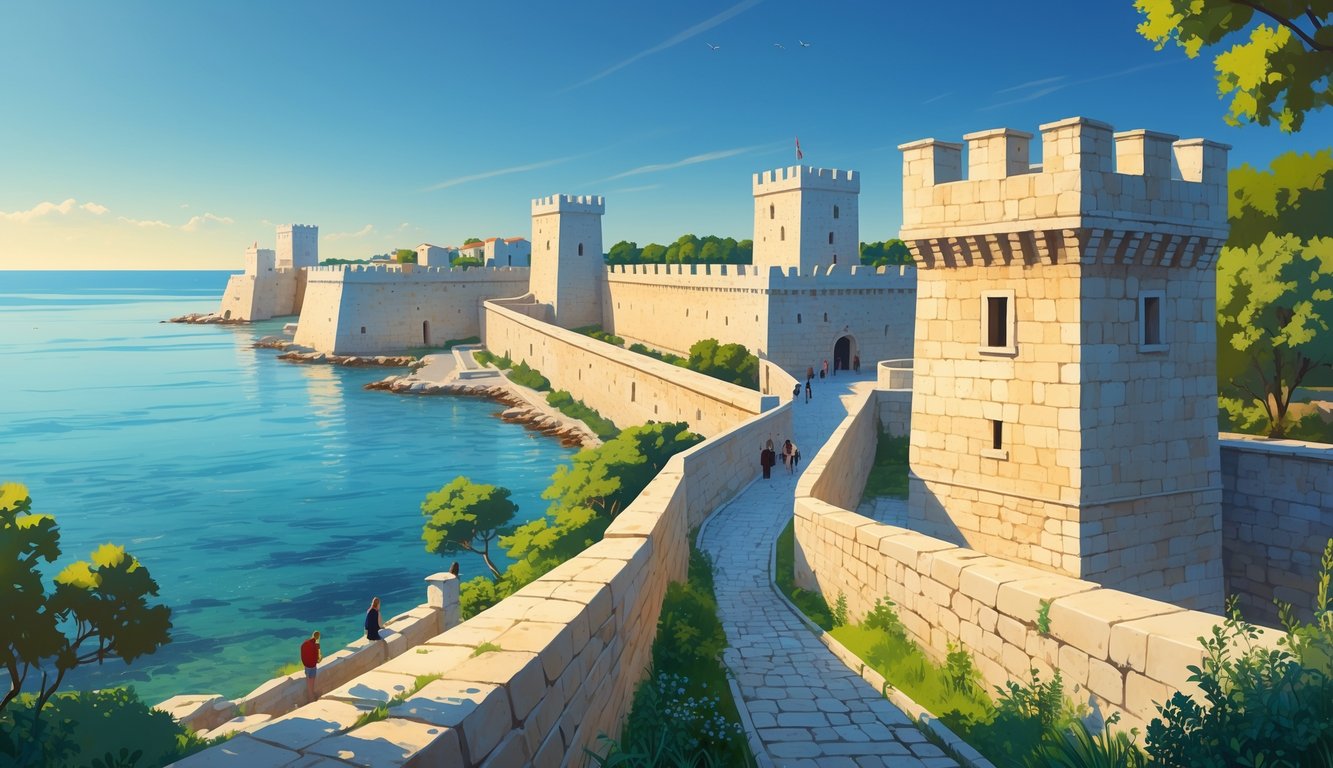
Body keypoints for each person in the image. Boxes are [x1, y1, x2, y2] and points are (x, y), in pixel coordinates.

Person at [300, 630, 322, 700]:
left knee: (308, 678)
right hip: (312, 665)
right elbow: (318, 659)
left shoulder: (305, 642)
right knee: (312, 680)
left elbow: (302, 651)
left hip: (306, 665)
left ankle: (310, 694)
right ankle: (311, 695)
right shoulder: (316, 646)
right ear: (318, 637)